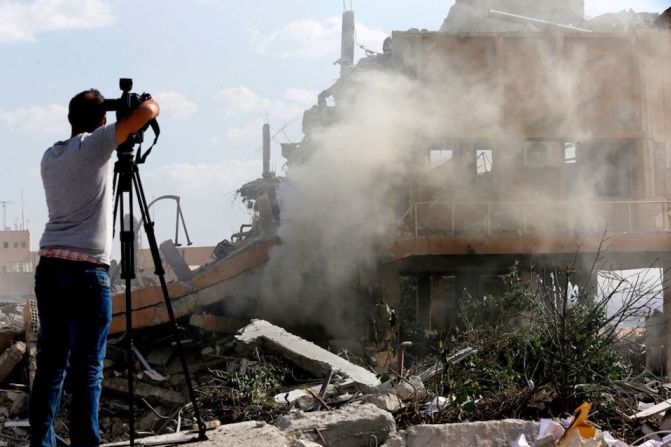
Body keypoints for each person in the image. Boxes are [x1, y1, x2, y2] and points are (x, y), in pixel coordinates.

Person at [29, 89, 159, 447]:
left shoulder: (50, 155)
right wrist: (143, 102)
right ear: (103, 121)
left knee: (52, 364)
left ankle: (41, 443)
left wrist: (114, 112)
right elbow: (149, 110)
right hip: (87, 273)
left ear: (70, 118)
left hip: (51, 267)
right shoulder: (96, 145)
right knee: (88, 367)